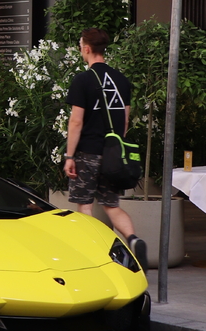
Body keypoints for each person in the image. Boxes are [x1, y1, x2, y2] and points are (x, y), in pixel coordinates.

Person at [63, 28, 148, 272]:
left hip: (87, 152)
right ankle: (133, 239)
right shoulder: (121, 80)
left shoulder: (83, 80)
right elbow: (125, 122)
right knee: (111, 205)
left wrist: (69, 156)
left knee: (85, 205)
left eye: (81, 46)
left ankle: (91, 255)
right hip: (112, 153)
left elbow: (76, 121)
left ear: (87, 49)